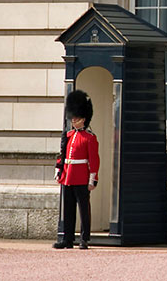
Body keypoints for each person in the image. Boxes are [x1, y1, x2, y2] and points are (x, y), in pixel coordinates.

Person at [53, 90, 99, 250]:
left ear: (84, 119)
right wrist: (59, 169)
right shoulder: (69, 135)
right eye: (72, 117)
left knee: (83, 210)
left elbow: (94, 160)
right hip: (68, 176)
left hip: (81, 177)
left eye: (76, 117)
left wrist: (93, 178)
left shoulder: (90, 138)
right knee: (68, 209)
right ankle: (67, 239)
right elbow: (63, 154)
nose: (73, 120)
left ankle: (84, 238)